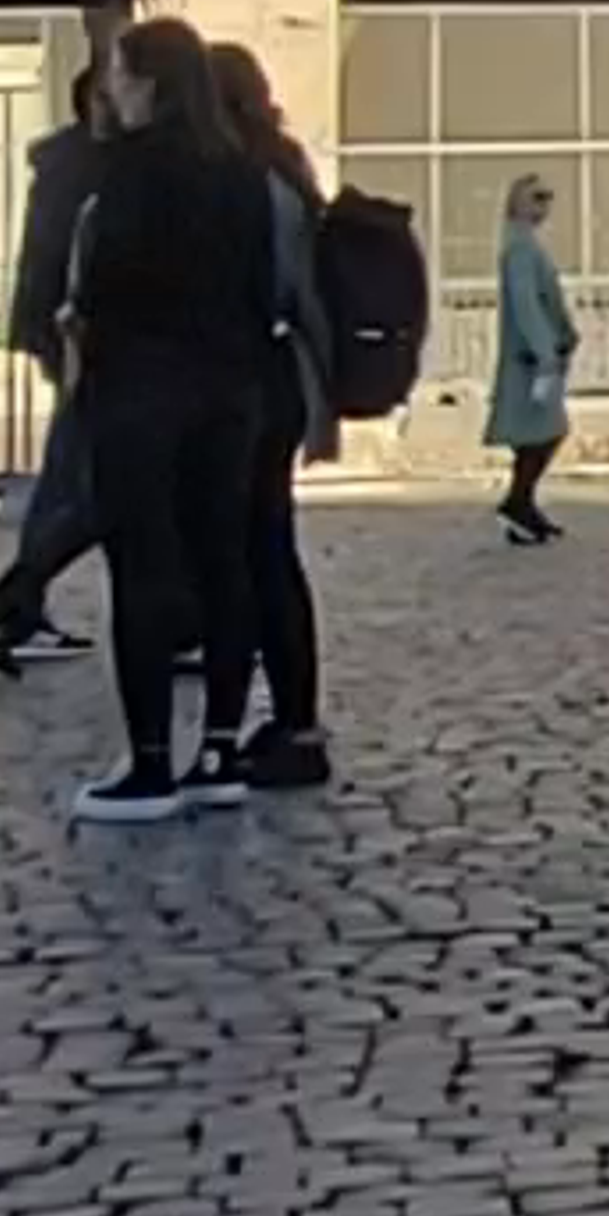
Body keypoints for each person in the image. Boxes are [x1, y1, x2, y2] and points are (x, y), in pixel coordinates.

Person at [67, 17, 280, 820]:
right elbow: (262, 284)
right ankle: (219, 749)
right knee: (224, 563)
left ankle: (150, 763)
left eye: (118, 73)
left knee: (145, 569)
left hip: (144, 391)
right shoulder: (241, 172)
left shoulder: (129, 172)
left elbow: (110, 284)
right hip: (230, 391)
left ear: (149, 83)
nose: (109, 87)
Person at [206, 43, 337, 788]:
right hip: (277, 382)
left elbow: (296, 293)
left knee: (254, 555)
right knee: (267, 552)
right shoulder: (281, 169)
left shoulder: (250, 182)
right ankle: (290, 718)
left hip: (254, 384)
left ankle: (289, 723)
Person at [0, 57, 110, 675]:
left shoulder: (67, 162)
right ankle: (14, 604)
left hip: (74, 334)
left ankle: (17, 603)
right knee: (86, 481)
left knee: (78, 478)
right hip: (81, 338)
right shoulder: (83, 166)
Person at [490, 176, 579, 542]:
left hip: (539, 354)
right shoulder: (520, 250)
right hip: (530, 359)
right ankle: (518, 502)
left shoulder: (527, 245)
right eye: (536, 198)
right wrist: (544, 350)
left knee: (539, 434)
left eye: (548, 198)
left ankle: (522, 503)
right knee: (541, 433)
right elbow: (527, 305)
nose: (543, 206)